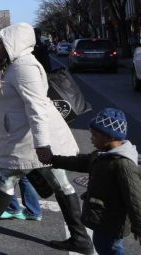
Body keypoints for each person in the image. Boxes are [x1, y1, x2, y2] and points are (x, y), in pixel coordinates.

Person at [0, 22, 93, 254]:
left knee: (20, 179)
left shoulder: (24, 67)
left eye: (2, 42)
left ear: (14, 42)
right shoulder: (13, 65)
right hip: (24, 136)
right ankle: (79, 238)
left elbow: (36, 108)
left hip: (35, 139)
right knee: (28, 180)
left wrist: (42, 144)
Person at [45, 108, 141, 255]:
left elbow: (135, 198)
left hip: (112, 222)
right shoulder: (103, 155)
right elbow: (80, 162)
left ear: (109, 137)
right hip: (102, 218)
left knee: (111, 249)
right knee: (103, 246)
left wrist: (139, 227)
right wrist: (54, 160)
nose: (91, 138)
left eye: (95, 135)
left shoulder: (123, 164)